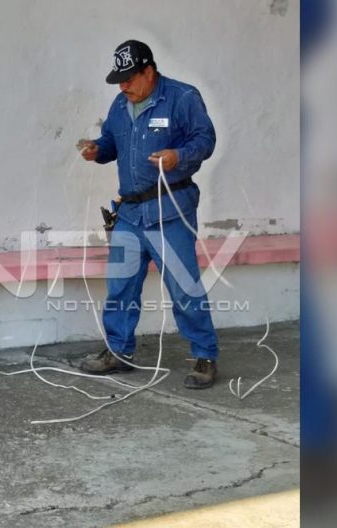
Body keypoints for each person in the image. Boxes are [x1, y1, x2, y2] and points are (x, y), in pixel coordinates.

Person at [77, 40, 219, 389]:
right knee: (121, 287)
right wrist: (97, 150)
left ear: (149, 71)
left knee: (184, 288)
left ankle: (204, 355)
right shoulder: (120, 104)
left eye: (129, 79)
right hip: (129, 211)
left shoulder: (182, 97)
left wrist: (178, 156)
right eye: (119, 81)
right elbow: (111, 142)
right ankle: (119, 351)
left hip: (169, 209)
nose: (123, 86)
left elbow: (205, 140)